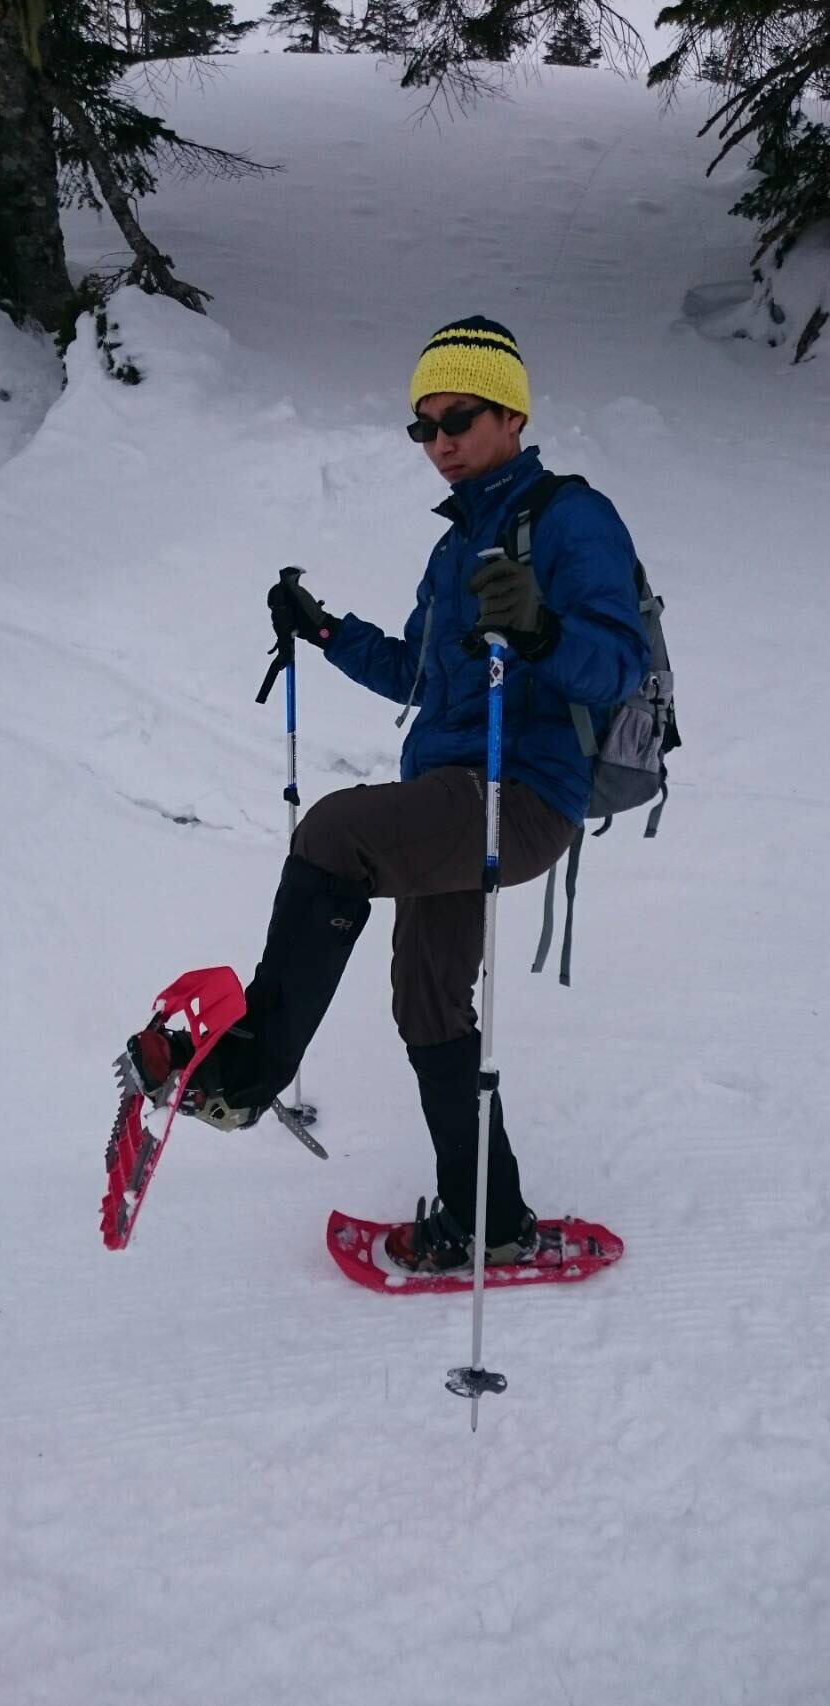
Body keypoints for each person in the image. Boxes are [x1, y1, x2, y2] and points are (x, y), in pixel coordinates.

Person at [128, 315, 650, 1273]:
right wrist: (325, 631)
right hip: (452, 794)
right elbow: (419, 671)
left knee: (335, 833)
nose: (440, 442)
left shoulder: (573, 518)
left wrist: (537, 632)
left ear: (511, 414)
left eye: (458, 418)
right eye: (424, 427)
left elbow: (617, 664)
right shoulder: (456, 551)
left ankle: (248, 1073)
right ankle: (489, 1217)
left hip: (523, 794)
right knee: (426, 995)